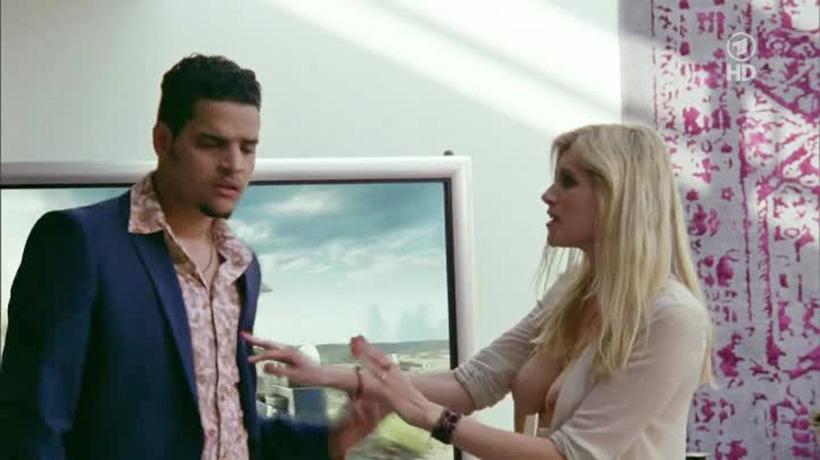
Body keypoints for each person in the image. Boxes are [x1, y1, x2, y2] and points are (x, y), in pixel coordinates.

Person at [244, 123, 714, 459]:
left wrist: (428, 415)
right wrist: (324, 374)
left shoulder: (671, 318)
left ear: (616, 196)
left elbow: (571, 455)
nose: (548, 195)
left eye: (567, 181)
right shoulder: (572, 292)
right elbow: (473, 384)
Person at [0, 54, 381, 460]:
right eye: (212, 144)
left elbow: (229, 425)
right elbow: (31, 427)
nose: (234, 165)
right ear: (163, 141)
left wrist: (336, 437)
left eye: (247, 148)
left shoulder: (242, 266)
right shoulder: (78, 243)